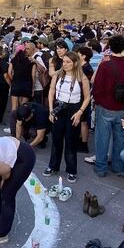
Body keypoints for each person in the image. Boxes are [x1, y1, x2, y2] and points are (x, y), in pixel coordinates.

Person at [89, 35, 124, 178]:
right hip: (122, 107)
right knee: (121, 139)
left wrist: (97, 101)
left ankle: (101, 167)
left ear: (110, 47)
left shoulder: (105, 65)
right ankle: (118, 167)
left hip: (105, 105)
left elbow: (97, 86)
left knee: (102, 139)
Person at [44, 51, 90, 183]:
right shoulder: (57, 75)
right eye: (64, 62)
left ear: (75, 63)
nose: (65, 64)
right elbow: (51, 91)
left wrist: (80, 112)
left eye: (68, 62)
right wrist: (51, 110)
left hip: (74, 110)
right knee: (56, 139)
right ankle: (53, 166)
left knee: (71, 142)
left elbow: (87, 98)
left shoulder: (82, 78)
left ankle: (71, 170)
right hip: (59, 108)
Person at [8, 49, 36, 113]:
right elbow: (33, 76)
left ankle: (13, 122)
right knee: (23, 107)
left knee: (14, 106)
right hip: (27, 85)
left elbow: (9, 72)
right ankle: (21, 121)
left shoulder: (13, 60)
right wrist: (32, 88)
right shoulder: (31, 62)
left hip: (16, 84)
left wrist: (13, 80)